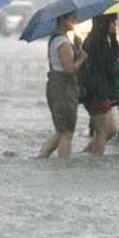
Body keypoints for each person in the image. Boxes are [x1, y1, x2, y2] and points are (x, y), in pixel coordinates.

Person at [39, 12, 88, 158]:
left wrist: (77, 47)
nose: (75, 21)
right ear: (62, 20)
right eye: (72, 18)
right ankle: (64, 166)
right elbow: (69, 69)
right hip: (63, 88)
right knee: (67, 132)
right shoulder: (62, 42)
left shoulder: (57, 39)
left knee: (61, 130)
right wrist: (82, 58)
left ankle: (42, 157)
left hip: (56, 86)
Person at [80, 14, 119, 154]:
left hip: (102, 90)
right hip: (95, 91)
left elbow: (113, 58)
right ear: (105, 23)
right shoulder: (94, 41)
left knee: (111, 130)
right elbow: (106, 62)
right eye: (113, 23)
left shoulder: (103, 40)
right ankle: (96, 163)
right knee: (103, 132)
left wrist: (114, 39)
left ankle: (84, 155)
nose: (115, 26)